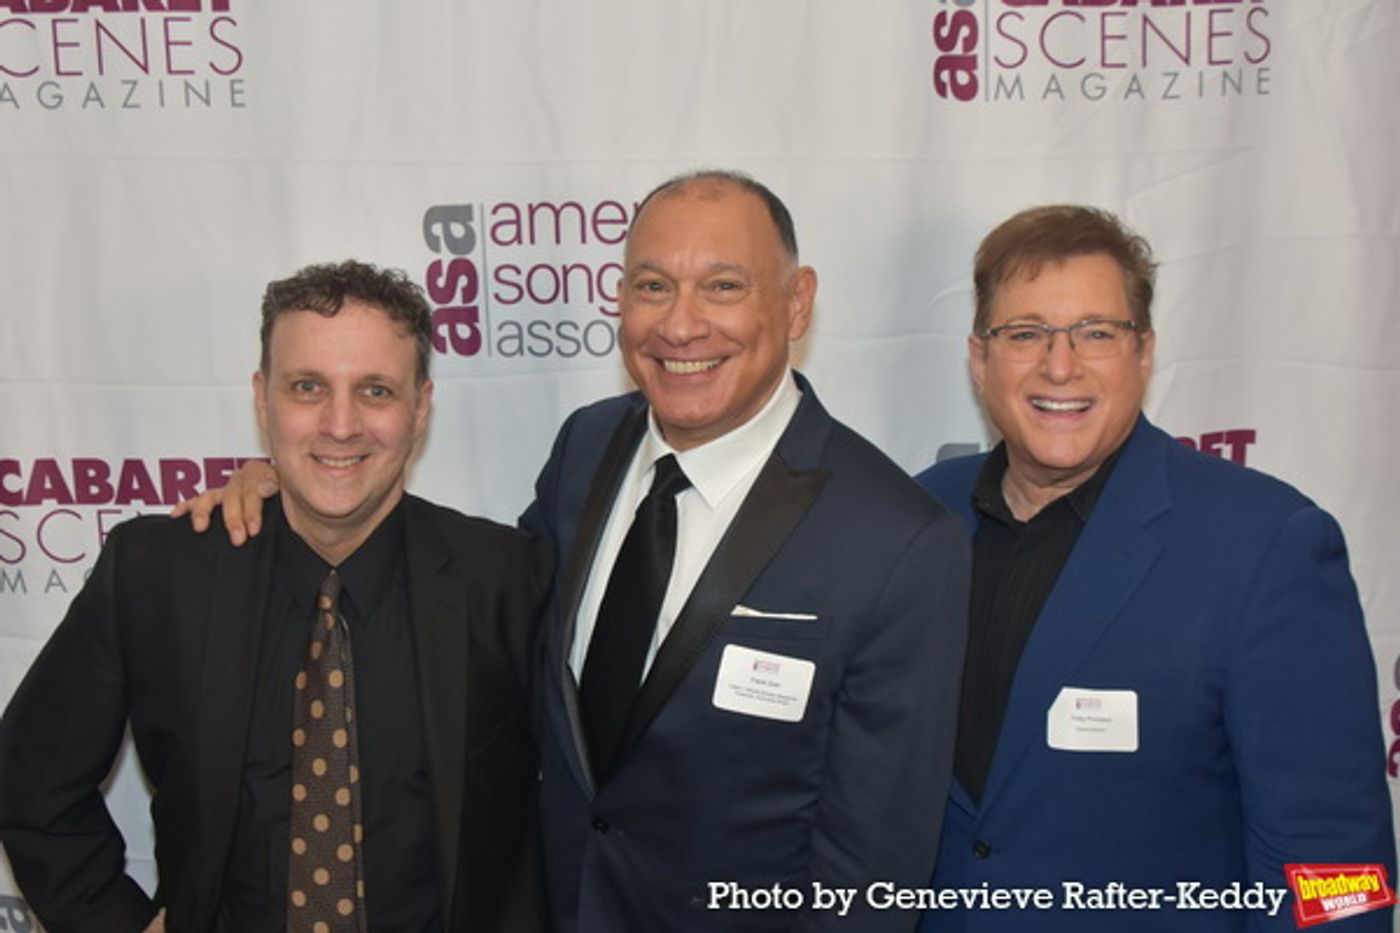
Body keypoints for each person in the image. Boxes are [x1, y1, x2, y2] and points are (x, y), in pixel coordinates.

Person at [180, 171, 971, 932]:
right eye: (653, 285)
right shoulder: (587, 447)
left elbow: (872, 877)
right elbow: (470, 609)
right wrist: (303, 488)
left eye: (724, 286)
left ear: (797, 304)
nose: (681, 323)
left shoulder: (898, 542)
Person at [0, 261, 550, 932]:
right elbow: (28, 781)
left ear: (420, 406)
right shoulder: (155, 572)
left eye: (375, 389)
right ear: (263, 400)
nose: (340, 424)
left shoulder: (508, 578)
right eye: (307, 386)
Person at [915, 205, 1394, 932]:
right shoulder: (919, 516)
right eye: (1025, 333)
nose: (1060, 364)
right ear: (980, 358)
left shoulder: (1269, 544)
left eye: (1097, 333)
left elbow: (1333, 866)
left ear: (1145, 353)